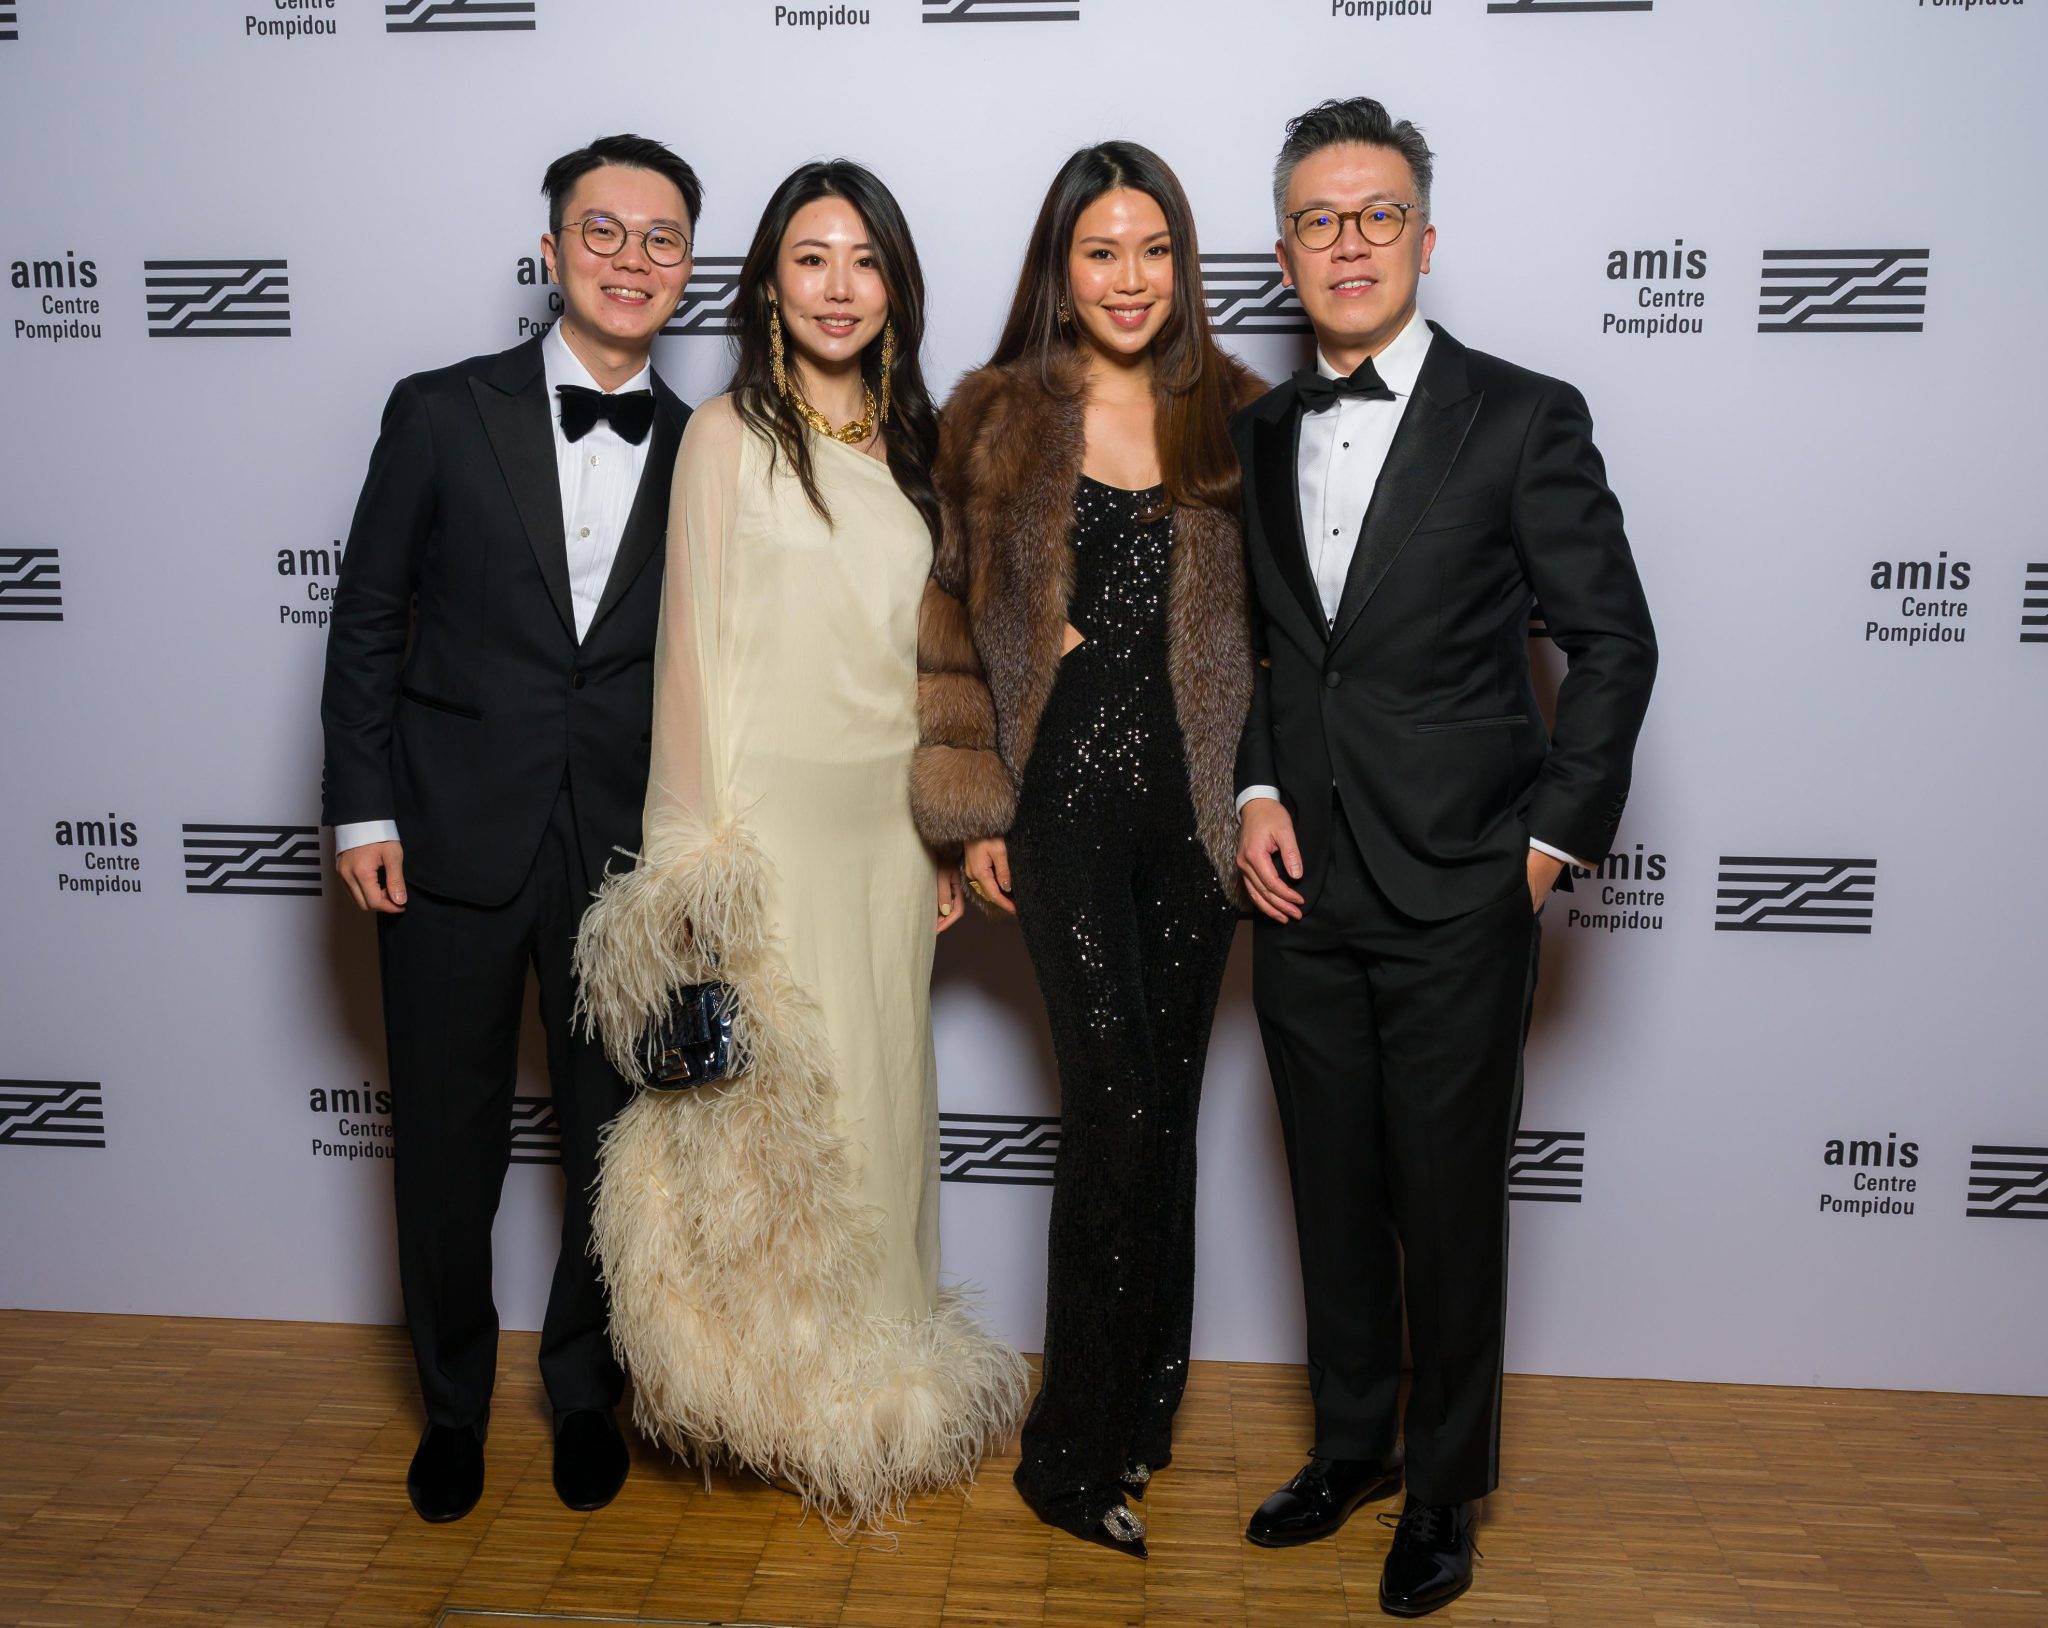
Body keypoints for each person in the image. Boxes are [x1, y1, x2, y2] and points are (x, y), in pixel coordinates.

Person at [1231, 98, 1657, 1614]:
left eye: (1379, 213)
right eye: (1320, 220)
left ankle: (1446, 1488)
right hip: (1303, 893)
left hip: (1462, 886)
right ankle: (1351, 1449)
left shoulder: (1525, 415)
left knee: (1449, 1202)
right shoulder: (1258, 431)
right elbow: (1274, 657)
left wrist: (1544, 848)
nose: (1350, 243)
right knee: (1332, 1194)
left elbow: (1613, 644)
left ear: (1425, 233)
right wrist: (1255, 787)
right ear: (1285, 252)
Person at [572, 159, 1026, 1536]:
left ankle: (879, 1385)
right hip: (763, 832)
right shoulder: (722, 436)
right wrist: (689, 866)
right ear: (769, 279)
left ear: (896, 287)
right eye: (811, 258)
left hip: (885, 836)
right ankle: (777, 1399)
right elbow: (692, 662)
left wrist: (948, 833)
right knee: (769, 1131)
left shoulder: (921, 450)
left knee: (879, 1104)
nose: (838, 287)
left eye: (864, 261)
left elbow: (940, 670)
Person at [320, 134, 700, 1522]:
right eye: (604, 232)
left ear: (689, 272)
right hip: (447, 831)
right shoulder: (439, 411)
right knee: (447, 1138)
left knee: (615, 1140)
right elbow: (367, 621)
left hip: (622, 852)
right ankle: (455, 1404)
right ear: (550, 252)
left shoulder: (713, 447)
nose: (630, 260)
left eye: (661, 240)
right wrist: (362, 804)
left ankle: (584, 1388)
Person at [911, 141, 1265, 1557]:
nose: (1130, 278)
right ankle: (1067, 1454)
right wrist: (976, 805)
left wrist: (1257, 797)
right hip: (1059, 808)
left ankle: (1142, 1405)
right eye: (1101, 251)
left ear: (1184, 265)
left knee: (1165, 1110)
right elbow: (947, 625)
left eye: (1155, 249)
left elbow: (1280, 632)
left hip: (1194, 818)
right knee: (1113, 1103)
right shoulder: (994, 416)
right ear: (1061, 265)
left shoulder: (1238, 415)